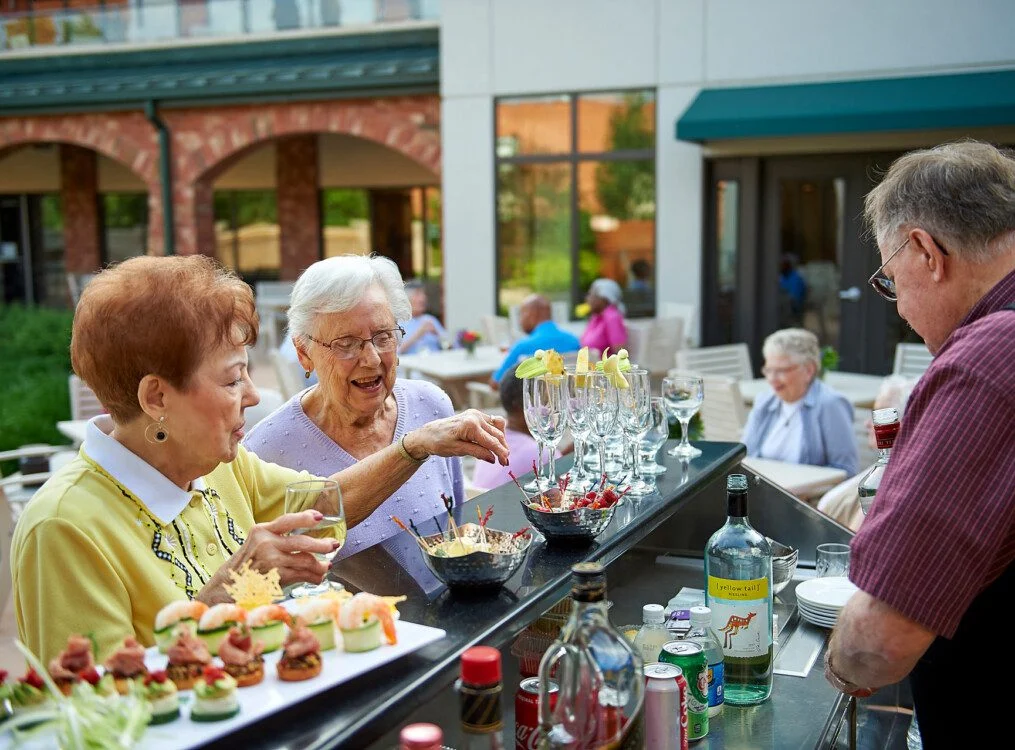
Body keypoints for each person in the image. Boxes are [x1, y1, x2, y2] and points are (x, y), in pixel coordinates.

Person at [10, 255, 509, 663]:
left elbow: (327, 504)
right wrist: (220, 597)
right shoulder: (64, 528)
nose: (253, 395)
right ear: (156, 398)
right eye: (232, 380)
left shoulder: (219, 466)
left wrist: (413, 444)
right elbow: (99, 715)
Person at [824, 141, 1015, 747]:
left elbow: (879, 644)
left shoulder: (990, 353)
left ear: (927, 252)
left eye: (889, 281)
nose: (899, 307)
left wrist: (832, 667)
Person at [244, 255, 473, 558]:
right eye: (347, 343)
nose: (373, 359)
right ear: (304, 353)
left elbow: (459, 533)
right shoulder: (265, 452)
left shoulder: (431, 405)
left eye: (383, 336)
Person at [742, 328, 859, 475]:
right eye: (768, 370)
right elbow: (746, 456)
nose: (772, 379)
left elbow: (846, 470)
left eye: (781, 370)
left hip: (807, 496)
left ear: (809, 370)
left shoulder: (830, 404)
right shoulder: (765, 402)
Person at [815, 375, 914, 531]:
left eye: (880, 414)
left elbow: (856, 541)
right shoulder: (884, 470)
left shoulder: (887, 480)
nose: (867, 423)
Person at [472, 365, 562, 491]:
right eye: (545, 401)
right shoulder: (541, 453)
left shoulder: (491, 440)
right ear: (522, 406)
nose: (550, 409)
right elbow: (562, 490)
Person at [488, 294, 580, 388]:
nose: (520, 321)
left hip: (531, 401)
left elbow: (496, 383)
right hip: (568, 399)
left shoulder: (522, 346)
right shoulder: (574, 341)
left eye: (521, 314)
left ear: (531, 314)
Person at [580, 278, 628, 357]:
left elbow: (620, 352)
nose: (587, 298)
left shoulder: (612, 317)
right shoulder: (596, 317)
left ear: (604, 298)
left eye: (591, 295)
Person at [399, 280, 447, 355]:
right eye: (417, 295)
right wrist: (419, 333)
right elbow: (397, 352)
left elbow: (449, 345)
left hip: (436, 362)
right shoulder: (400, 323)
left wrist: (437, 334)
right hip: (412, 365)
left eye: (423, 295)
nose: (422, 298)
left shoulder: (430, 319)